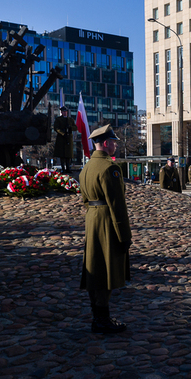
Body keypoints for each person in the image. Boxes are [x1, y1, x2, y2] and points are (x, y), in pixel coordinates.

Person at [79, 124, 131, 334]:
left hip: (92, 219)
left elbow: (85, 200)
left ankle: (97, 316)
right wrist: (124, 235)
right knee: (107, 270)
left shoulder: (87, 167)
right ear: (106, 143)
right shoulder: (110, 168)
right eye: (115, 142)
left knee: (94, 267)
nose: (116, 146)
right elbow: (117, 205)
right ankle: (102, 319)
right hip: (107, 222)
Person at [53, 105, 77, 173]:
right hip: (62, 138)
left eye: (65, 111)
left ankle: (68, 167)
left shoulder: (70, 120)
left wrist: (70, 127)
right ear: (61, 112)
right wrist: (63, 133)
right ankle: (63, 168)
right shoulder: (58, 119)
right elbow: (56, 128)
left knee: (68, 155)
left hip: (69, 138)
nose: (64, 113)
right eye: (63, 112)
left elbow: (75, 127)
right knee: (62, 155)